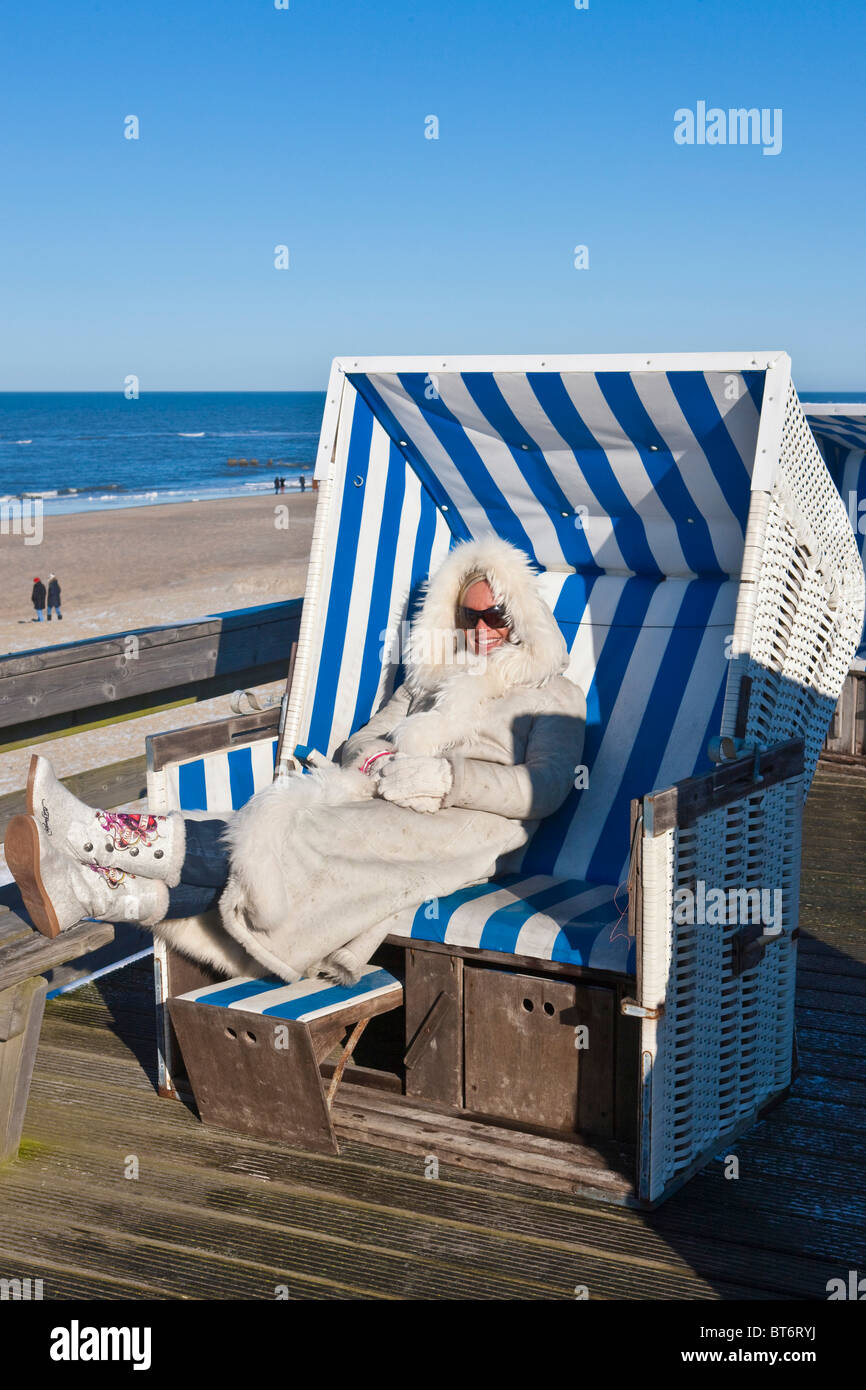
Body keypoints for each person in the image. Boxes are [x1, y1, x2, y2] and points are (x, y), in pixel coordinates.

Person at [6, 538, 586, 985]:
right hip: (381, 799)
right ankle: (86, 892)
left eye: (495, 617)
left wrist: (445, 778)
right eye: (468, 616)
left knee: (290, 835)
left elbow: (547, 786)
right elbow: (365, 739)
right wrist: (381, 759)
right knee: (283, 833)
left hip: (470, 829)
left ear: (521, 619)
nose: (480, 630)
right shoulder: (429, 679)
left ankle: (94, 832)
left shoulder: (552, 694)